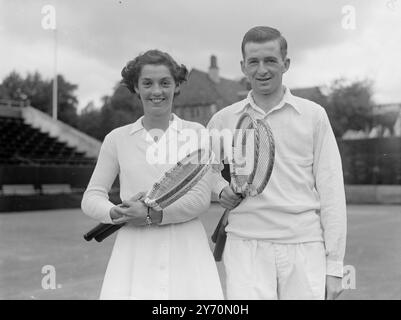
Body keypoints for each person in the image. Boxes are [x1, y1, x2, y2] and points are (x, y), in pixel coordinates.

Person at [208, 26, 347, 300]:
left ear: (286, 64)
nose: (262, 70)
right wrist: (219, 188)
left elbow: (332, 191)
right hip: (244, 246)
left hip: (304, 247)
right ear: (243, 66)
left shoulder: (314, 115)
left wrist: (335, 268)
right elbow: (205, 171)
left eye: (270, 60)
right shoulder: (224, 119)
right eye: (254, 62)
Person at [81, 49, 223, 300]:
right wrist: (116, 212)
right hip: (134, 250)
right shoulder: (116, 139)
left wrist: (149, 215)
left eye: (165, 83)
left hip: (187, 248)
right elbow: (92, 196)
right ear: (136, 87)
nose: (156, 91)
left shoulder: (197, 132)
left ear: (176, 85)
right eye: (147, 83)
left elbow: (200, 199)